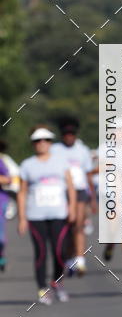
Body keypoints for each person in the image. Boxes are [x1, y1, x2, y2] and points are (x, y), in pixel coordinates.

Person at [17, 127, 76, 304]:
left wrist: (72, 207)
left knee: (60, 252)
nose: (41, 144)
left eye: (45, 140)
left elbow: (70, 186)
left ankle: (57, 283)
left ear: (50, 142)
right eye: (37, 141)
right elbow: (22, 192)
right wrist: (21, 218)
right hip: (36, 215)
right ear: (33, 144)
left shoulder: (61, 162)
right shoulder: (27, 165)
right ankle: (42, 289)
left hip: (59, 213)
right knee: (41, 253)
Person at [51, 118, 95, 276]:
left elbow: (88, 174)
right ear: (62, 135)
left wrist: (93, 198)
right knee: (67, 228)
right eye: (66, 134)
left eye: (72, 134)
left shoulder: (82, 150)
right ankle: (69, 259)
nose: (69, 137)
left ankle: (80, 259)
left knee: (78, 225)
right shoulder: (55, 149)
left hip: (79, 191)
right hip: (61, 192)